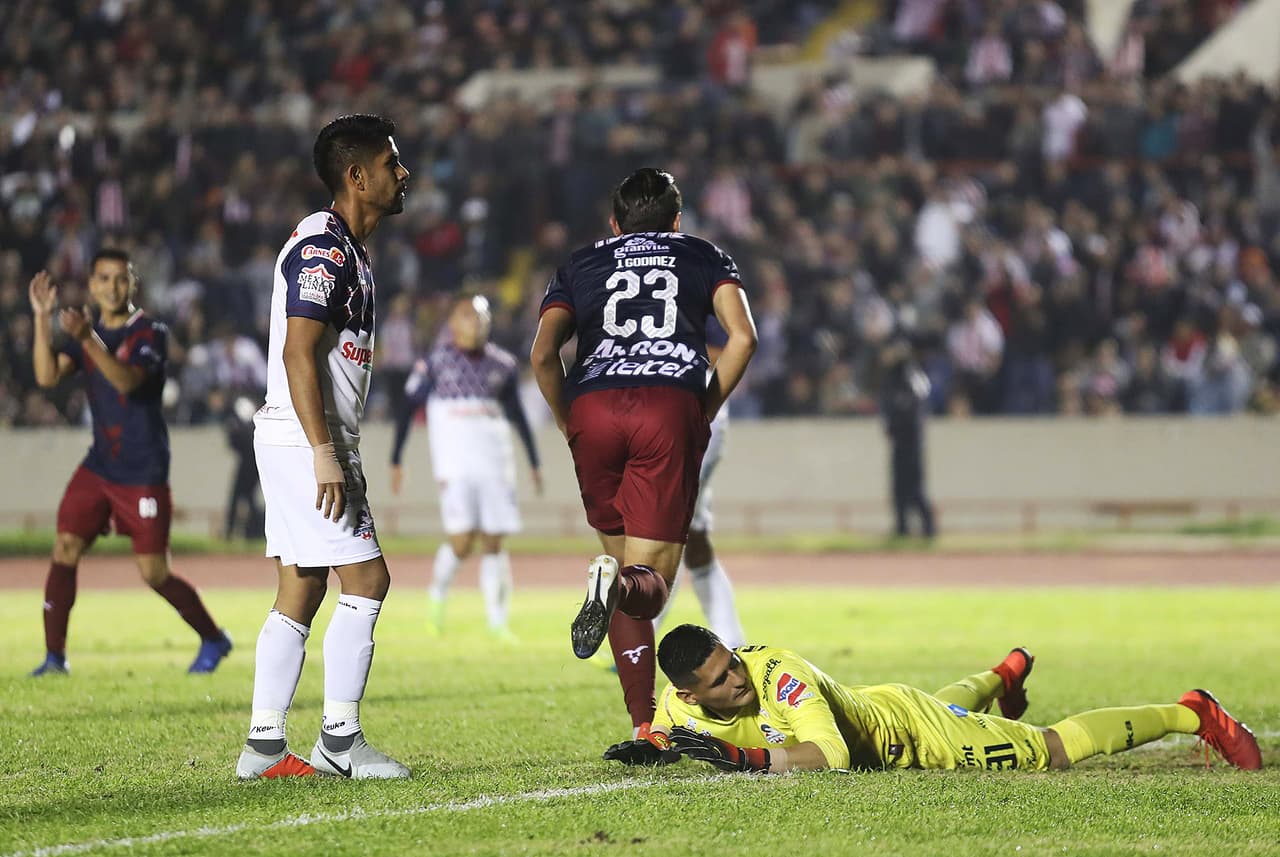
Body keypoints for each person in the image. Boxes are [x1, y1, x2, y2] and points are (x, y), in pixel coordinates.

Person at [530, 167, 758, 743]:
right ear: (676, 221)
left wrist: (567, 418)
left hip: (593, 408)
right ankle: (616, 589)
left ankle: (643, 723)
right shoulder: (703, 253)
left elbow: (542, 354)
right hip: (666, 404)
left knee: (621, 565)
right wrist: (703, 407)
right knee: (645, 585)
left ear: (614, 223)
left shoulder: (580, 262)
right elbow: (743, 336)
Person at [236, 114, 411, 780]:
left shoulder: (347, 248)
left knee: (303, 584)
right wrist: (323, 450)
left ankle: (263, 746)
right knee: (367, 579)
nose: (403, 174)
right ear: (356, 175)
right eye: (391, 164)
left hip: (298, 435)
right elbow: (297, 350)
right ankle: (340, 740)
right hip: (306, 437)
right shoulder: (325, 248)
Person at [603, 624, 1262, 774]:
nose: (737, 680)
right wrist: (649, 747)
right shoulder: (677, 705)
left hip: (911, 733)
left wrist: (743, 759)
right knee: (953, 703)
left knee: (1051, 750)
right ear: (689, 693)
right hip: (884, 707)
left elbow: (831, 756)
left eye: (733, 663)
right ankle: (1004, 674)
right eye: (721, 681)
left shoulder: (778, 675)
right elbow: (665, 732)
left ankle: (1191, 710)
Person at [27, 252, 232, 677]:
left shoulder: (150, 333)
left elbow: (127, 381)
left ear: (133, 283)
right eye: (104, 278)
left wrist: (87, 339)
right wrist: (42, 318)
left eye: (121, 278)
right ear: (92, 284)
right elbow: (47, 377)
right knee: (65, 546)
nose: (113, 286)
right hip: (100, 464)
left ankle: (214, 637)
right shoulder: (90, 332)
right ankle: (54, 659)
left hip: (143, 470)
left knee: (154, 572)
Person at [390, 292, 543, 640]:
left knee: (494, 541)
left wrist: (534, 462)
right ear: (452, 323)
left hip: (495, 465)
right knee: (461, 542)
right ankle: (437, 595)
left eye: (479, 317)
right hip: (456, 467)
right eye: (466, 316)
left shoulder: (502, 365)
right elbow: (407, 407)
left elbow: (517, 416)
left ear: (489, 323)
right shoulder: (434, 363)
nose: (473, 324)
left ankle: (498, 622)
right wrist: (396, 459)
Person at [651, 317, 746, 648]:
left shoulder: (699, 305)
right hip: (675, 428)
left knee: (666, 538)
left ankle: (638, 641)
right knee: (695, 546)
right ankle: (733, 639)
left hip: (697, 418)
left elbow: (728, 349)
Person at [879, 338, 936, 539]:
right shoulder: (892, 378)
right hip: (899, 439)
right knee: (899, 487)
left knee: (915, 487)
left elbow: (916, 404)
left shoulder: (912, 375)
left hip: (911, 440)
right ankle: (901, 528)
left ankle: (928, 527)